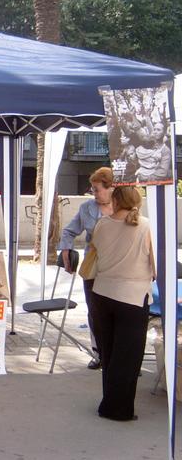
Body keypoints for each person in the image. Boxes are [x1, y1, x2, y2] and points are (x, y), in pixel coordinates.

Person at [90, 186, 155, 421]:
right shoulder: (146, 226)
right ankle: (118, 407)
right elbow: (156, 267)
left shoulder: (102, 224)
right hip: (132, 296)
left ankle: (109, 401)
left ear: (115, 200)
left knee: (108, 352)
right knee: (128, 357)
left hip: (102, 293)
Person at [58, 167, 114, 370]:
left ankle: (120, 358)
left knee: (116, 312)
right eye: (93, 190)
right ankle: (99, 353)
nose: (94, 194)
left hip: (117, 268)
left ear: (111, 188)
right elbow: (69, 231)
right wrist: (66, 250)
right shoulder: (87, 208)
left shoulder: (124, 207)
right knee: (95, 310)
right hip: (93, 266)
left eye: (97, 189)